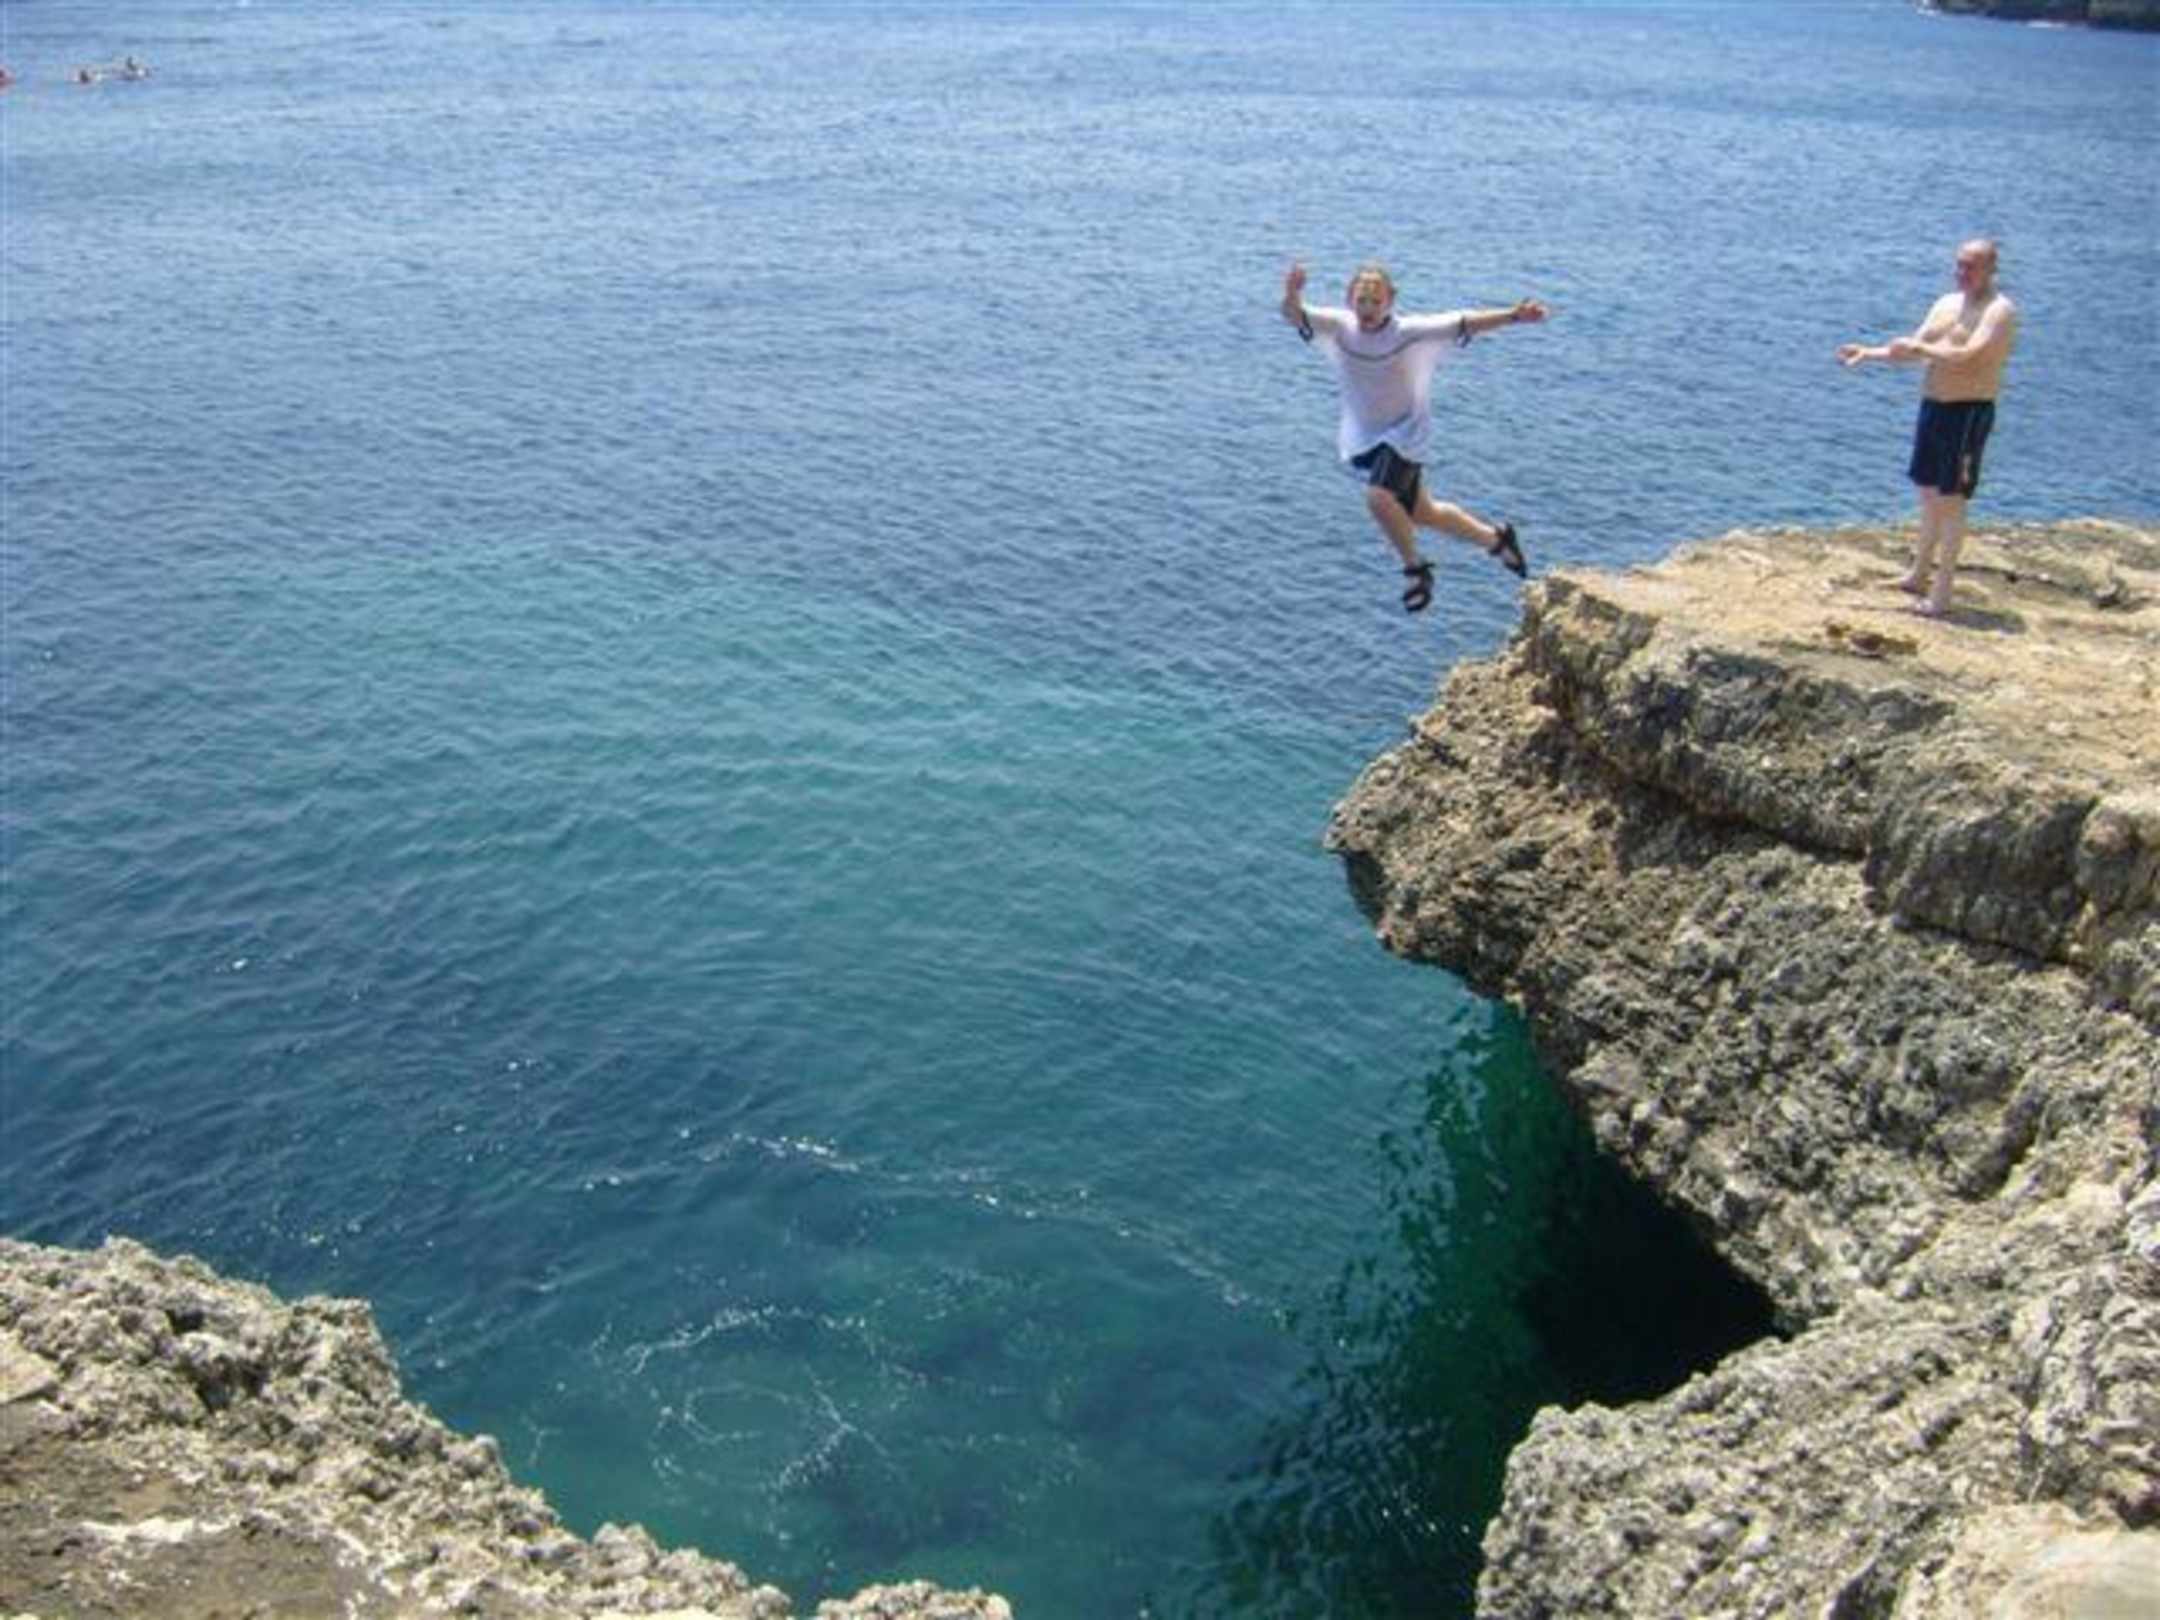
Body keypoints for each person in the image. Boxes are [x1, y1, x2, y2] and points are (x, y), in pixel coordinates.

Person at [1282, 261, 1547, 613]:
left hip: (1405, 434)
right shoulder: (1340, 327)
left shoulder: (1408, 332)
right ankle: (1497, 540)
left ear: (1391, 301)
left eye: (1376, 301)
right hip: (1366, 437)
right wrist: (1292, 292)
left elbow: (1464, 322)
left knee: (1379, 499)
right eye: (1361, 301)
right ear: (1349, 299)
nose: (1368, 309)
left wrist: (1513, 315)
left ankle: (1416, 569)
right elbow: (1294, 315)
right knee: (1423, 513)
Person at [1838, 239, 2019, 619]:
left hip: (1967, 411)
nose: (1962, 272)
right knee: (1927, 493)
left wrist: (1920, 349)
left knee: (1951, 500)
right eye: (1960, 264)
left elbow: (1967, 355)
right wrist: (1869, 353)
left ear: (1991, 269)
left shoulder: (1998, 311)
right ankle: (1918, 574)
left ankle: (1942, 593)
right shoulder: (1946, 303)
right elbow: (1913, 349)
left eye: (1972, 266)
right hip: (1933, 406)